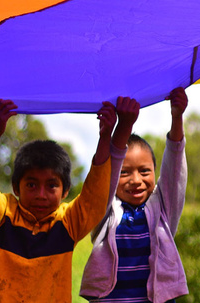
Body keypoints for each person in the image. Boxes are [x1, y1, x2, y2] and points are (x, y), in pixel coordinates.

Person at [0, 97, 138, 301]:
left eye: (51, 185)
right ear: (15, 187)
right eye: (31, 185)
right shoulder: (0, 214)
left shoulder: (68, 222)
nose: (41, 194)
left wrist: (105, 136)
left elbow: (95, 193)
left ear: (65, 191)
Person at [81, 88, 189, 302]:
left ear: (155, 173)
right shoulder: (106, 210)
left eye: (144, 171)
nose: (136, 180)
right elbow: (105, 177)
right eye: (125, 172)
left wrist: (177, 118)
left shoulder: (163, 209)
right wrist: (120, 129)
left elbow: (174, 168)